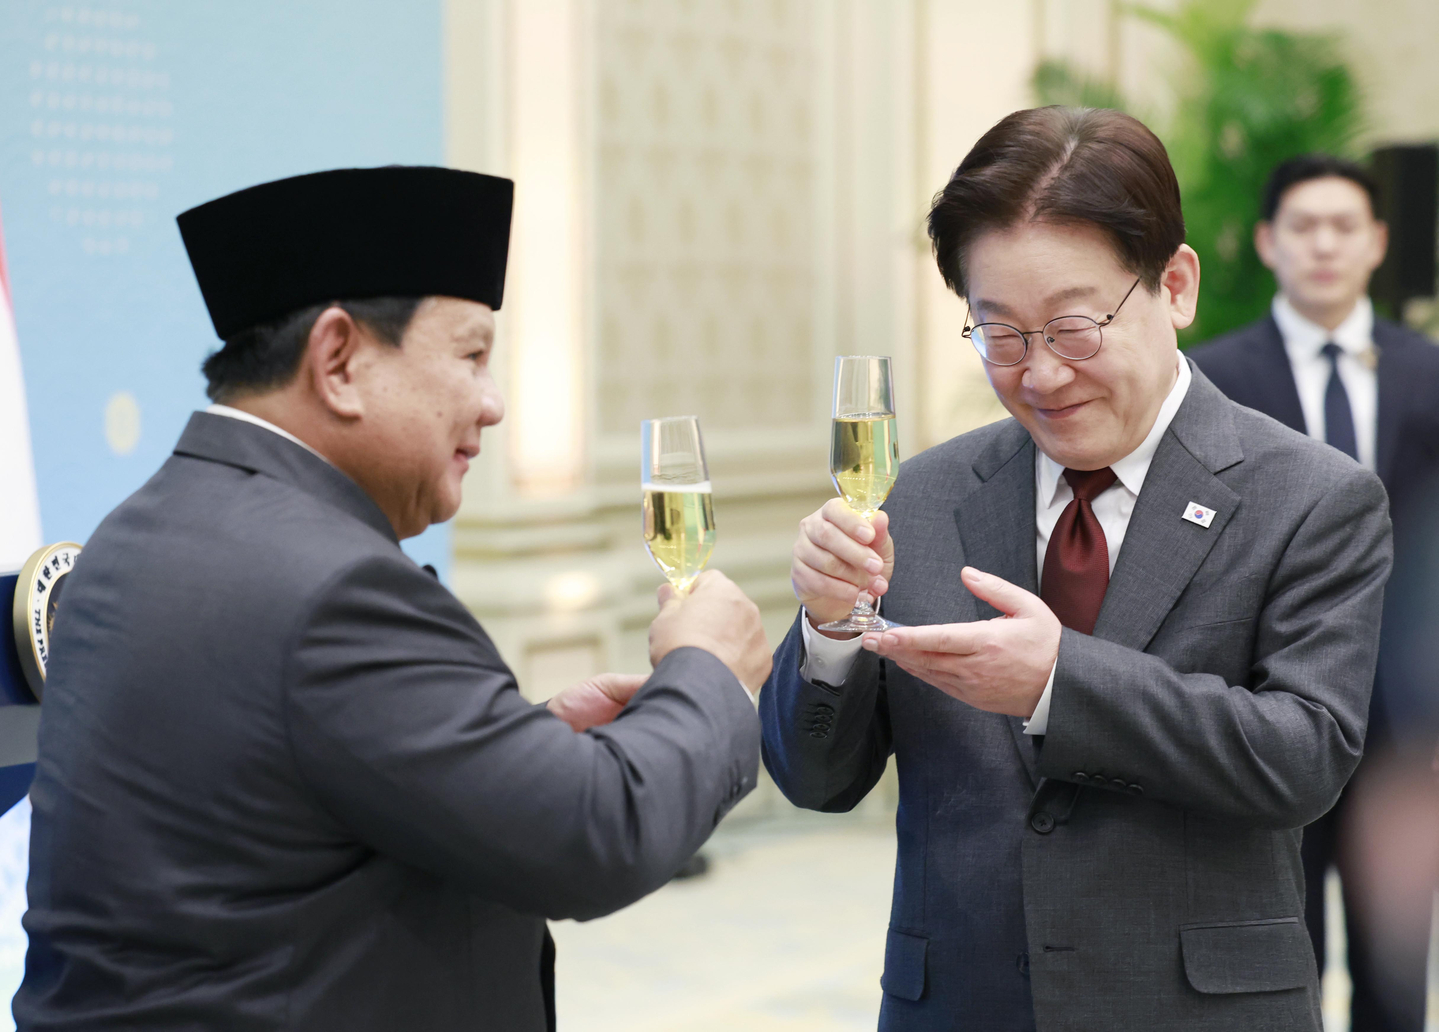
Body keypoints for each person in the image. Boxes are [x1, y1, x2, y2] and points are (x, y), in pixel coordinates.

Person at [15, 167, 771, 1032]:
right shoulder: (334, 586)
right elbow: (594, 836)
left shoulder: (139, 531)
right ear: (338, 360)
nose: (492, 404)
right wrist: (708, 670)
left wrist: (512, 746)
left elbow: (286, 784)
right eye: (471, 356)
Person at [760, 108, 1391, 1031]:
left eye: (1073, 327)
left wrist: (1060, 683)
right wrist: (827, 631)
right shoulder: (920, 496)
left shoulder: (1310, 495)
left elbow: (1302, 757)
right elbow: (816, 780)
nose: (1042, 376)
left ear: (1174, 286)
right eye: (1001, 335)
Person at [1190, 154, 1439, 1032]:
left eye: (1343, 226)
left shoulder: (1429, 372)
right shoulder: (1209, 379)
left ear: (1377, 242)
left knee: (1395, 971)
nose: (1323, 245)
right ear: (1268, 242)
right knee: (1275, 958)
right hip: (1267, 706)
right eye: (1302, 226)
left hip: (1402, 723)